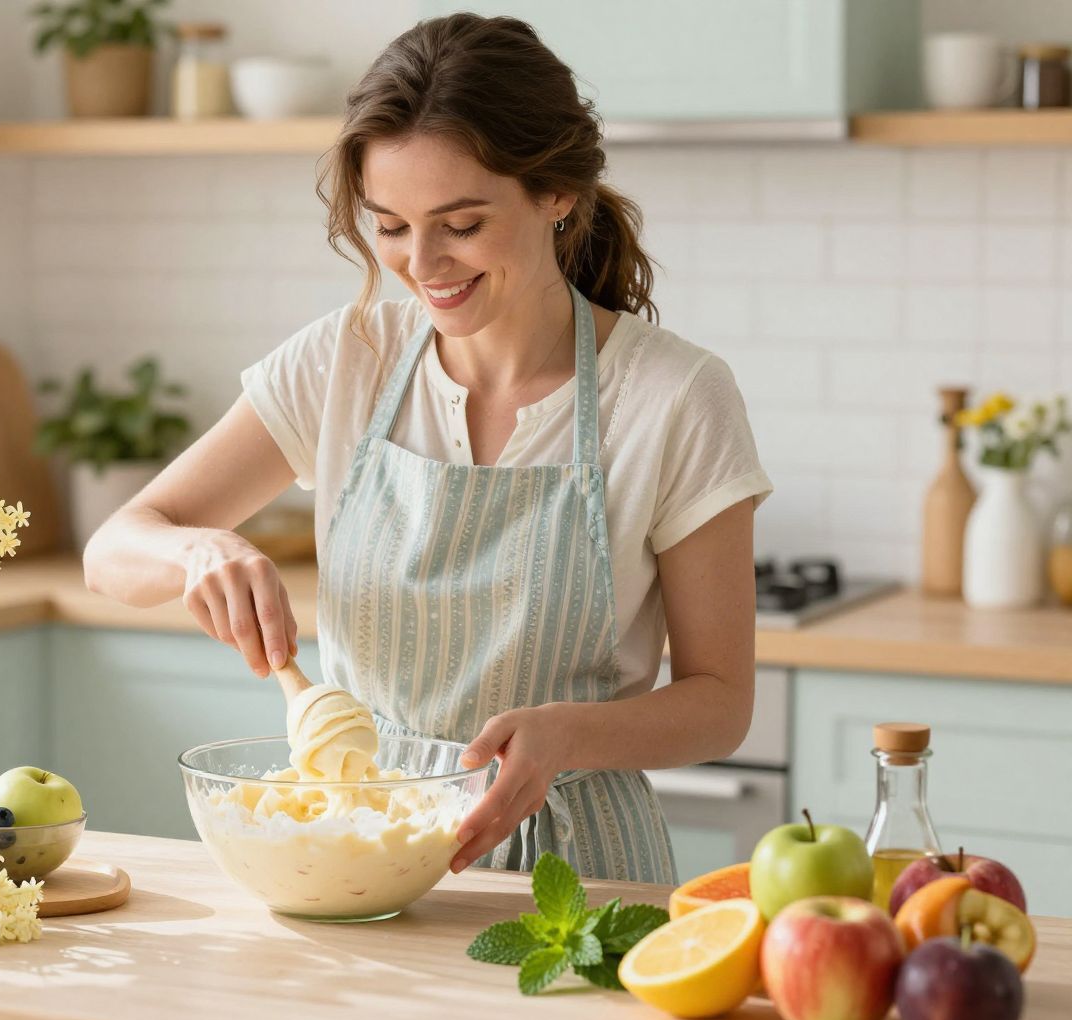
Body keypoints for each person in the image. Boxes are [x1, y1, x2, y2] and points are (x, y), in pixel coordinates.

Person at [83, 13, 772, 883]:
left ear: (555, 191)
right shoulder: (347, 361)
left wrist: (567, 735)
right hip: (364, 851)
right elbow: (111, 551)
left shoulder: (673, 397)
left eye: (461, 223)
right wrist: (196, 551)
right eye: (392, 226)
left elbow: (721, 704)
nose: (423, 264)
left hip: (579, 875)